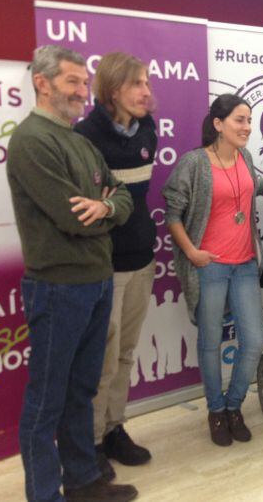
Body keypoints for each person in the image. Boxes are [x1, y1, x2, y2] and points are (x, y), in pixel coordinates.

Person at [7, 45, 136, 502]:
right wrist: (105, 210)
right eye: (72, 82)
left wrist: (106, 206)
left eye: (85, 82)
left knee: (81, 390)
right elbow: (72, 218)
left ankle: (82, 483)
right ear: (42, 83)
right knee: (47, 400)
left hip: (96, 281)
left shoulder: (80, 142)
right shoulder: (31, 140)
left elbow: (122, 196)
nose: (84, 91)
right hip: (57, 287)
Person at [163, 94, 263, 447]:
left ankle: (234, 405)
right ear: (218, 124)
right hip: (210, 266)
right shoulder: (194, 163)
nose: (247, 127)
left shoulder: (245, 157)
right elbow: (173, 213)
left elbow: (251, 187)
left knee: (253, 342)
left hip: (244, 265)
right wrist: (192, 252)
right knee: (210, 343)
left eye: (249, 120)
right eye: (240, 120)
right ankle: (216, 411)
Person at [74, 52, 158, 478]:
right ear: (112, 90)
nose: (146, 92)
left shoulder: (147, 129)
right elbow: (91, 204)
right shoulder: (85, 136)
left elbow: (129, 197)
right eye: (137, 84)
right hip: (104, 264)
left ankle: (113, 429)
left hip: (143, 257)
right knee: (101, 360)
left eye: (147, 82)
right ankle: (88, 442)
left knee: (125, 354)